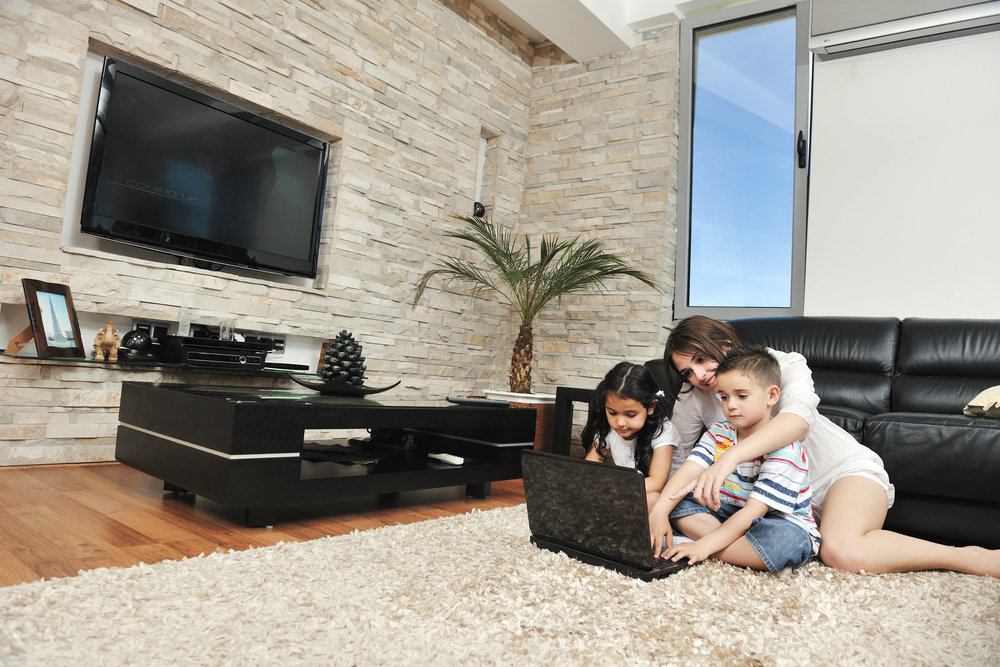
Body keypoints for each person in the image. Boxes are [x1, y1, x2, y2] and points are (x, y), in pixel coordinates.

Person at [649, 315, 1000, 578]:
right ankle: (743, 550)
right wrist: (659, 509)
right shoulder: (695, 396)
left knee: (843, 553)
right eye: (687, 372)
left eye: (701, 360)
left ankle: (967, 557)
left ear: (725, 344)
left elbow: (799, 420)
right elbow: (679, 461)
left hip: (839, 475)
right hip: (768, 498)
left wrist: (732, 456)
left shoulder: (780, 365)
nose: (699, 376)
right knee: (680, 505)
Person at [658, 345, 820, 574]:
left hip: (773, 520)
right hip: (728, 511)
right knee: (676, 499)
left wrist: (704, 546)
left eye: (742, 396)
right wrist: (661, 511)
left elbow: (754, 512)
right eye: (724, 397)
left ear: (772, 395)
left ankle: (705, 544)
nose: (731, 405)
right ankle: (740, 549)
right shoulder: (719, 432)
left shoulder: (786, 449)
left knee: (784, 542)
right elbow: (688, 470)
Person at [583, 362, 682, 511]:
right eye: (612, 413)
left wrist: (613, 488)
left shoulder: (663, 430)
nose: (620, 422)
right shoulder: (607, 427)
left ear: (651, 407)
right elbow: (589, 468)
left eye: (630, 415)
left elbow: (657, 482)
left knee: (652, 499)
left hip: (668, 496)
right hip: (630, 490)